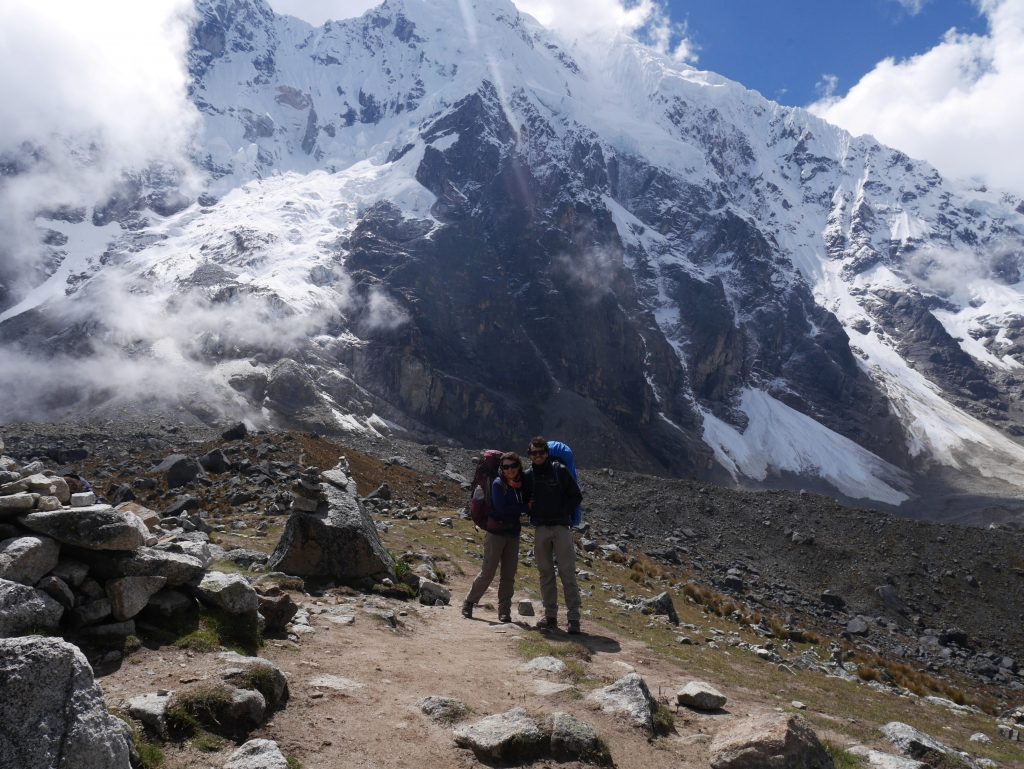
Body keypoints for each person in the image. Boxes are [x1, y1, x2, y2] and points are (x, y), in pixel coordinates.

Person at [523, 436, 583, 633]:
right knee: (545, 573)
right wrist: (530, 509)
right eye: (534, 453)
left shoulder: (560, 471)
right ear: (530, 455)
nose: (538, 456)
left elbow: (576, 496)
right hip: (540, 528)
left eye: (541, 452)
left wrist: (561, 511)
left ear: (547, 453)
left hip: (560, 528)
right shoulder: (529, 475)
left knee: (567, 573)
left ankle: (574, 619)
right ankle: (551, 617)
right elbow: (524, 500)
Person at [461, 451, 528, 623]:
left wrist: (521, 507)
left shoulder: (521, 484)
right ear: (501, 468)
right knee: (488, 572)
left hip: (512, 534)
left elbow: (510, 507)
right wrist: (525, 507)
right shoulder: (498, 484)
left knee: (509, 574)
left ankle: (504, 611)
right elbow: (502, 508)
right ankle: (469, 602)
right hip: (496, 534)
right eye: (506, 467)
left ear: (519, 466)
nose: (510, 470)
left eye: (513, 466)